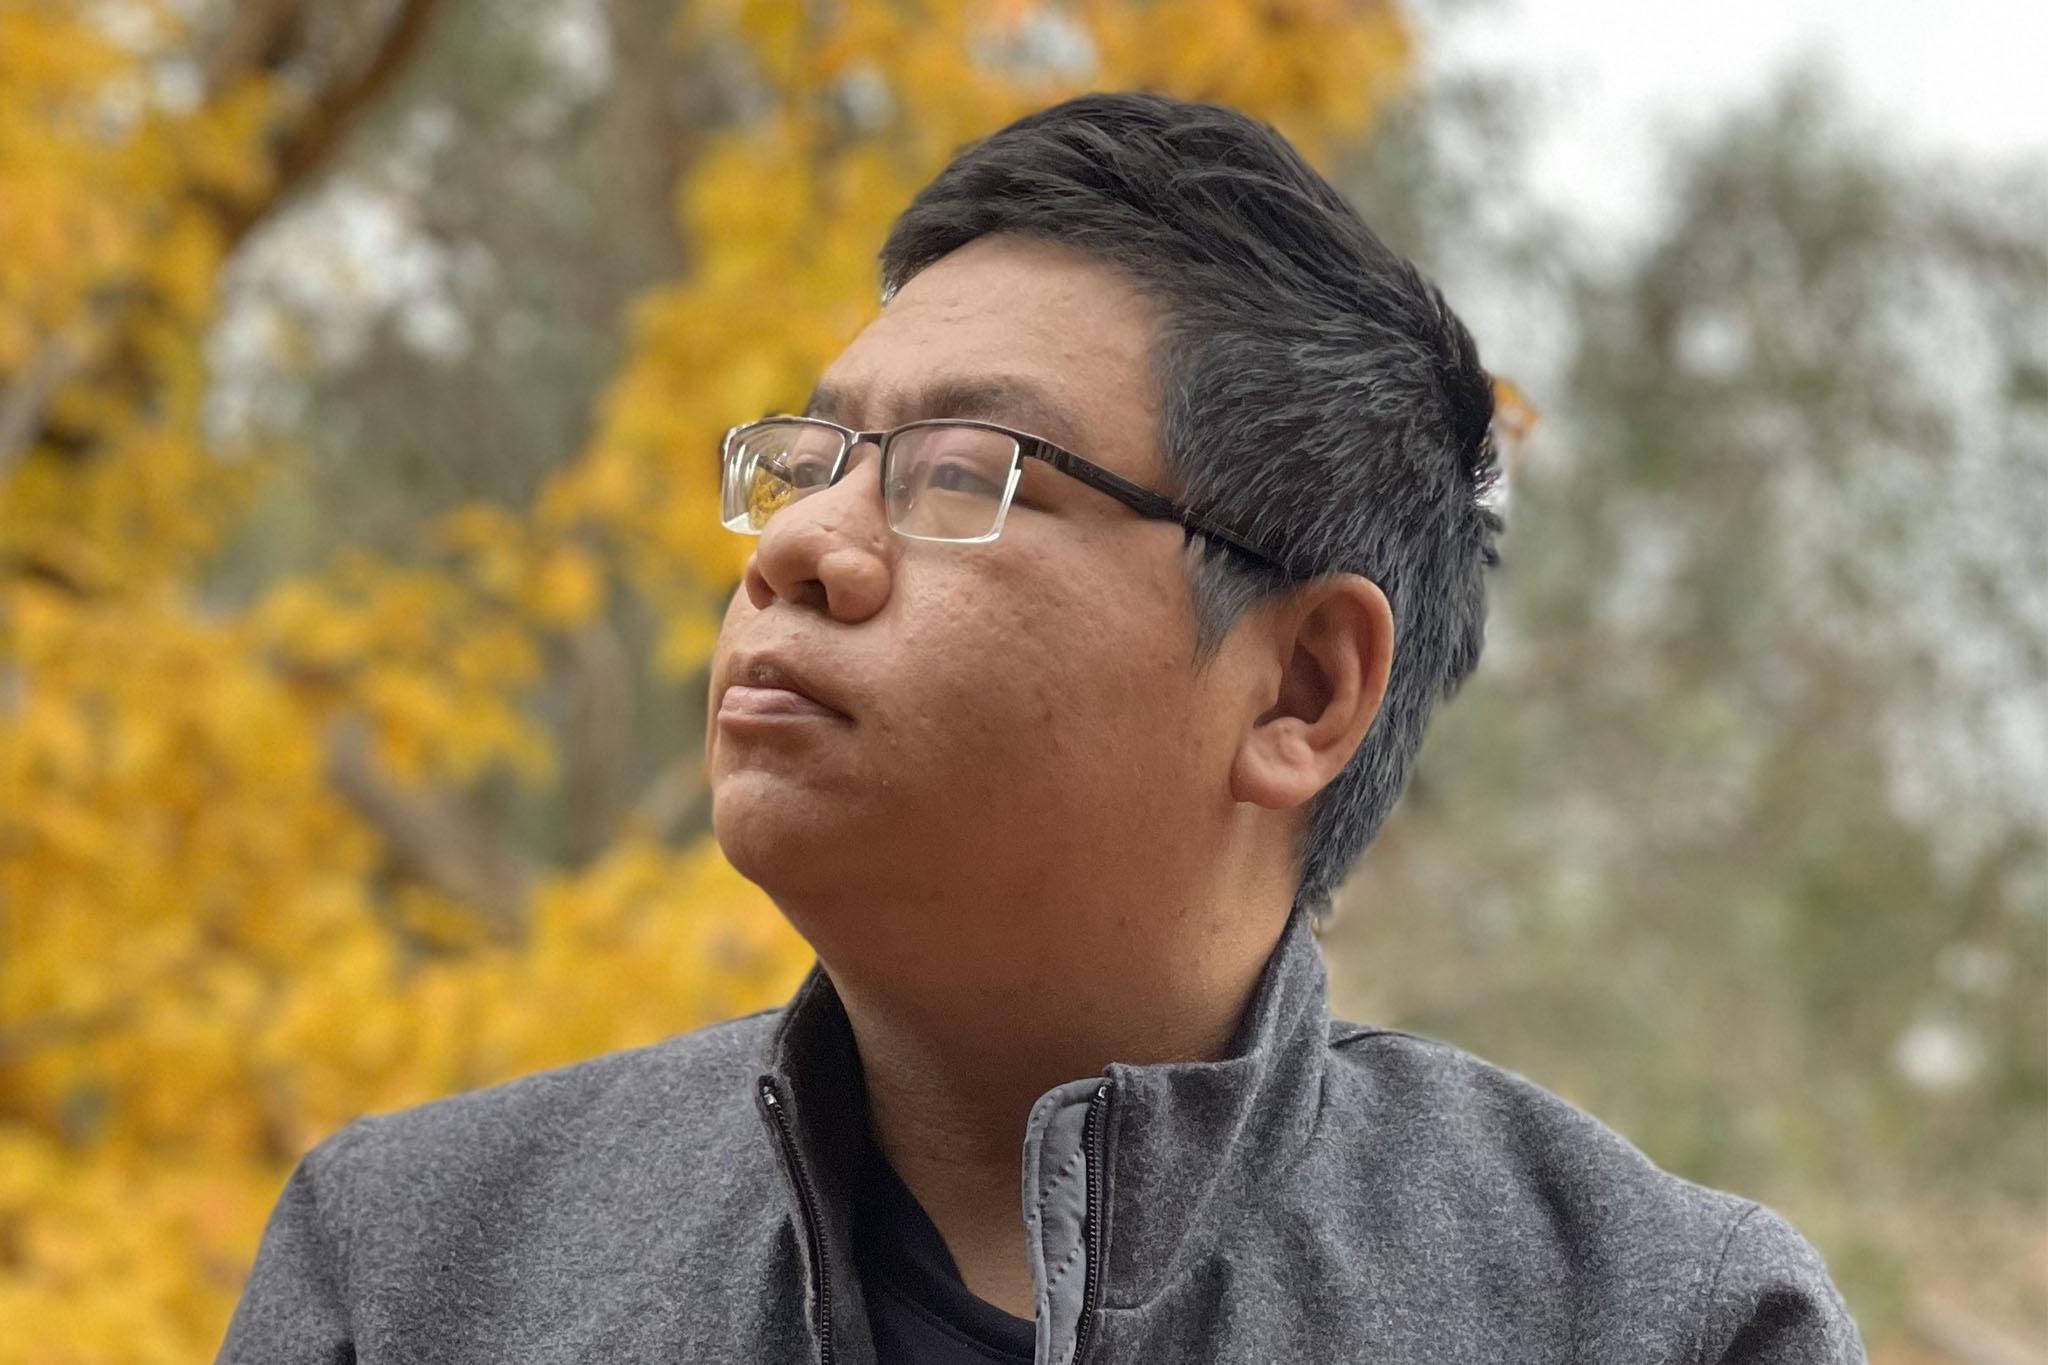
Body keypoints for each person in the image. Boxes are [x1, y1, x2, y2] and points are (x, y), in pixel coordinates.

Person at [218, 90, 1865, 1364]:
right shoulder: (421, 1264)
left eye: (962, 474)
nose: (797, 546)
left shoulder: (1648, 1319)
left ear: (1301, 690)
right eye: (810, 458)